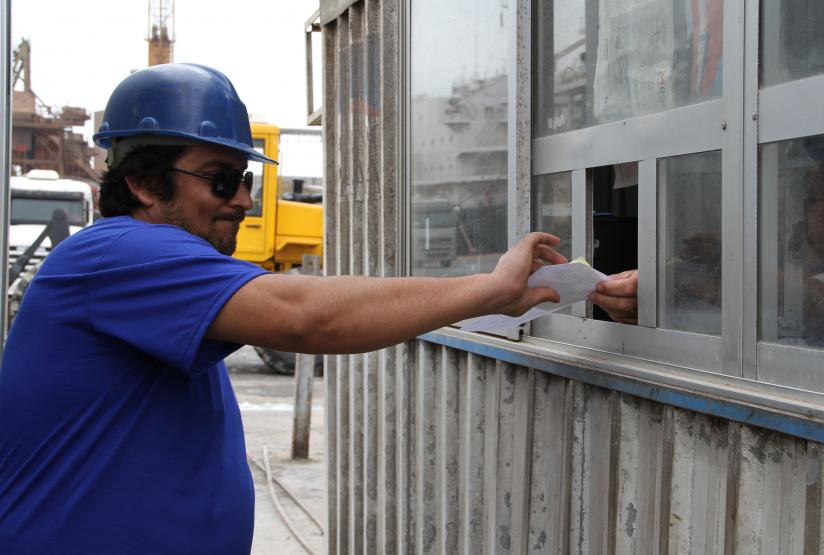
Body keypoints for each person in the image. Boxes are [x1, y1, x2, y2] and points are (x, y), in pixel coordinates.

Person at [0, 64, 566, 555]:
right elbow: (307, 316)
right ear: (145, 183)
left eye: (243, 179)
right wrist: (491, 289)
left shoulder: (148, 271)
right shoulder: (121, 253)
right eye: (222, 181)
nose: (244, 200)